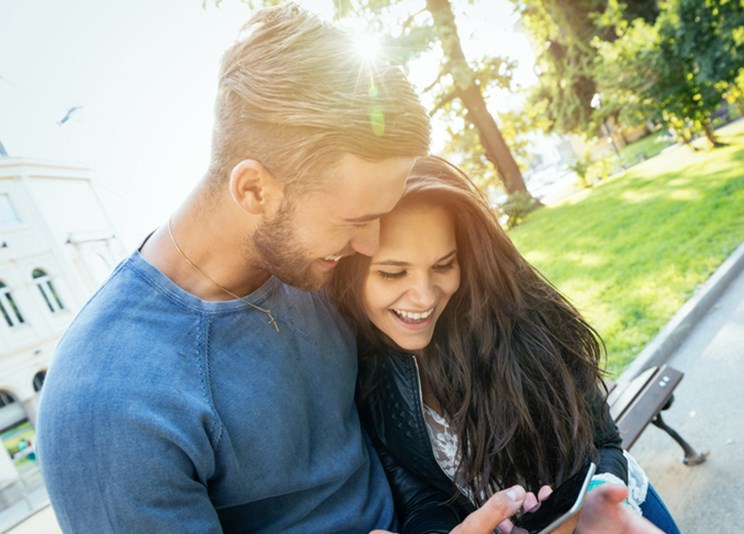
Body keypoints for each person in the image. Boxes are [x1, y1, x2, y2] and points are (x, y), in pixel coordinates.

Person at [34, 4, 437, 532]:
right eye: (356, 220)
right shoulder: (107, 405)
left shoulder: (313, 259)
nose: (371, 245)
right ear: (253, 190)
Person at [329, 156, 682, 534]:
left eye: (444, 265)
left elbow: (604, 442)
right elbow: (420, 496)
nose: (424, 296)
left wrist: (597, 500)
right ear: (352, 270)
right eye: (392, 272)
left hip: (616, 515)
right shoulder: (359, 365)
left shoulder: (525, 316)